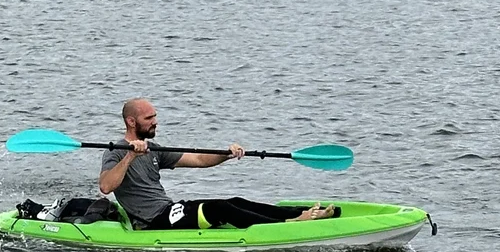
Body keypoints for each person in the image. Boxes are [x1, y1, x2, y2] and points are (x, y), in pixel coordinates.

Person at [98, 99, 338, 230]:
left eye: (155, 116)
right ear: (131, 121)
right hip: (151, 222)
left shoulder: (154, 150)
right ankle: (288, 224)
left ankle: (302, 212)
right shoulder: (117, 152)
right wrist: (130, 156)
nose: (155, 122)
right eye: (149, 118)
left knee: (234, 202)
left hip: (168, 210)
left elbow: (200, 160)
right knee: (220, 209)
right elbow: (106, 186)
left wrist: (227, 153)